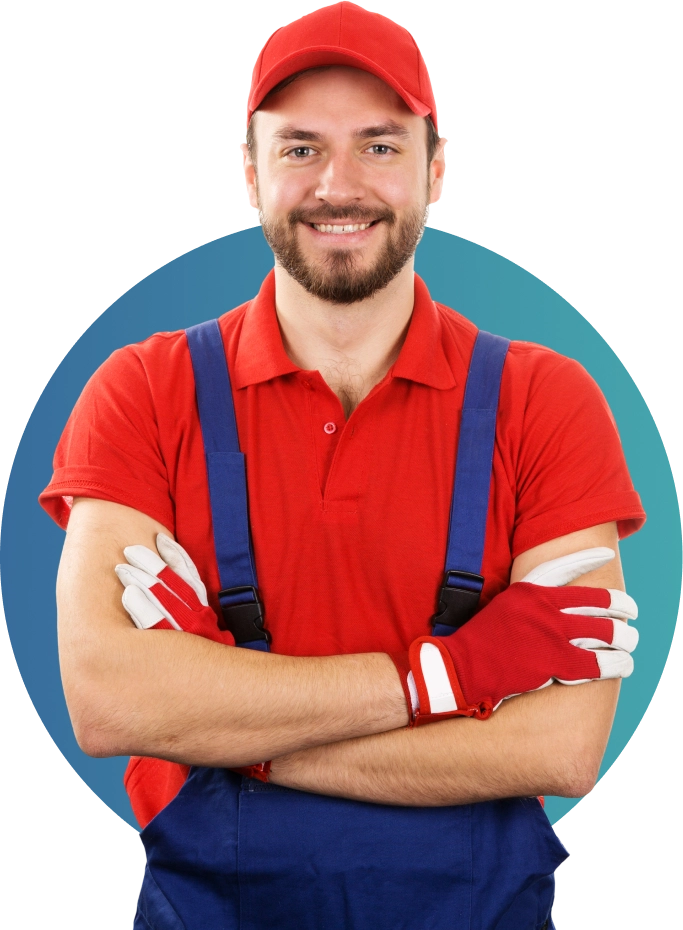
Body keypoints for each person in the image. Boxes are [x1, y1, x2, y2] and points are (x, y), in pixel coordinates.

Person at [40, 3, 645, 927]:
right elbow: (106, 700)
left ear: (436, 169)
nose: (338, 184)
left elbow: (559, 746)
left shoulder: (546, 401)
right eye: (297, 149)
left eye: (379, 145)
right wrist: (443, 680)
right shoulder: (143, 392)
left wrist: (228, 728)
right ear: (248, 173)